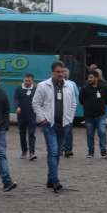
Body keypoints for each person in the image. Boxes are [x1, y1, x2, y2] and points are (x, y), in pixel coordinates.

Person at [32, 61, 76, 192]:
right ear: (52, 72)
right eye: (58, 72)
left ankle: (50, 179)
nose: (61, 74)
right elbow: (36, 103)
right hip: (49, 124)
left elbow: (73, 104)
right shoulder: (43, 86)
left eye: (62, 71)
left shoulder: (69, 86)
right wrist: (43, 119)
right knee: (53, 150)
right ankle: (55, 180)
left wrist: (69, 120)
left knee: (57, 153)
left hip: (64, 125)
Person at [78, 69, 107, 158]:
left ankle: (103, 151)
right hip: (89, 115)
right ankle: (91, 151)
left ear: (96, 78)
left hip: (100, 115)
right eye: (88, 77)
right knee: (90, 134)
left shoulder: (103, 87)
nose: (89, 79)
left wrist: (100, 106)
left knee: (102, 132)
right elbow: (81, 100)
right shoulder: (85, 88)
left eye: (91, 77)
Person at [14, 72, 38, 160]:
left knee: (31, 134)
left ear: (32, 81)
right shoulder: (19, 89)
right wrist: (16, 107)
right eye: (26, 80)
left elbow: (39, 100)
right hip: (21, 115)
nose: (27, 82)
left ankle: (32, 153)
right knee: (22, 134)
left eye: (29, 81)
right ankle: (24, 151)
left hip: (32, 115)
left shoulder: (35, 89)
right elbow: (14, 98)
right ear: (24, 80)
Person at [61, 68, 79, 157]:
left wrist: (73, 108)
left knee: (68, 131)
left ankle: (68, 149)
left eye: (66, 78)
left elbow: (76, 96)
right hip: (59, 111)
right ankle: (60, 148)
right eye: (64, 78)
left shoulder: (72, 84)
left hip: (68, 112)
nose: (65, 80)